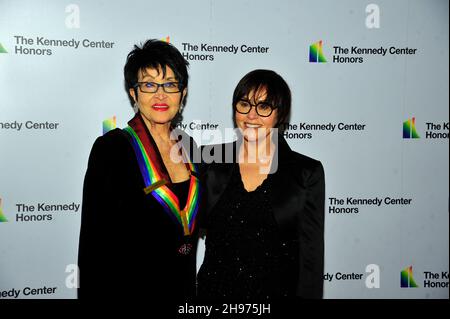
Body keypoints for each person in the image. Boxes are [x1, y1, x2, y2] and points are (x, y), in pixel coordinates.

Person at [78, 39, 201, 300]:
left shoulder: (190, 147)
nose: (160, 94)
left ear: (183, 92)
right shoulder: (111, 149)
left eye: (170, 84)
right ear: (133, 93)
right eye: (148, 85)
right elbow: (93, 247)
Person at [197, 69, 325, 299]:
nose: (251, 116)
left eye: (264, 107)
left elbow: (311, 259)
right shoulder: (209, 160)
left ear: (281, 114)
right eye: (244, 104)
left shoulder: (306, 173)